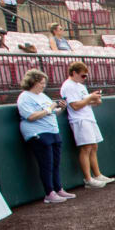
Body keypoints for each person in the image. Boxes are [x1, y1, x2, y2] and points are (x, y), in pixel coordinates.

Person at [15, 70, 74, 204]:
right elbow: (30, 116)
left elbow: (52, 113)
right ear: (33, 82)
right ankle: (49, 192)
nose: (43, 85)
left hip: (52, 131)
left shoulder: (43, 96)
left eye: (44, 83)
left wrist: (61, 108)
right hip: (37, 133)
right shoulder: (24, 97)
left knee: (55, 163)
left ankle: (58, 188)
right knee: (46, 164)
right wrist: (50, 108)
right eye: (41, 83)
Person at [61, 63, 112, 188]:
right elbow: (75, 105)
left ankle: (97, 175)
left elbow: (87, 103)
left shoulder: (80, 86)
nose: (84, 78)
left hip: (89, 118)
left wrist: (95, 99)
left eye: (85, 76)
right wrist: (90, 99)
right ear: (73, 73)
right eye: (82, 75)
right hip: (80, 120)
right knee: (86, 148)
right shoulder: (68, 86)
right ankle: (88, 179)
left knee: (94, 147)